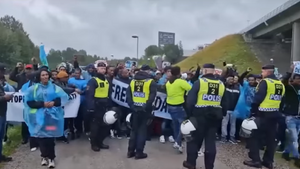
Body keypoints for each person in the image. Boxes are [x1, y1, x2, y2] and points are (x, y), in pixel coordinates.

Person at [183, 63, 227, 169]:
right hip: (215, 116)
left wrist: (189, 115)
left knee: (194, 140)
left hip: (199, 115)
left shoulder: (200, 82)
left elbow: (190, 101)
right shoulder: (221, 84)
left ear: (205, 70)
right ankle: (209, 166)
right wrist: (222, 114)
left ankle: (191, 163)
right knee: (211, 142)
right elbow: (225, 103)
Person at [24, 69, 69, 168]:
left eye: (46, 75)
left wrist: (54, 103)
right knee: (41, 138)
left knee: (50, 138)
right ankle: (44, 156)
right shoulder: (34, 89)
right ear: (39, 77)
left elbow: (63, 98)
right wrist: (42, 104)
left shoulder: (54, 87)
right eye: (42, 75)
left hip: (51, 119)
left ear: (48, 76)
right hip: (39, 119)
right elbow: (29, 102)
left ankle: (52, 158)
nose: (45, 77)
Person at [243, 65, 285, 169]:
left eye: (263, 72)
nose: (262, 74)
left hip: (262, 114)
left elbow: (258, 98)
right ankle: (268, 161)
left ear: (267, 72)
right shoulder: (280, 84)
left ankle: (256, 160)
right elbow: (282, 101)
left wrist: (253, 112)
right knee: (271, 139)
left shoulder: (265, 82)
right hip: (275, 114)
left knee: (253, 136)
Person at [126, 65, 157, 159]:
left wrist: (132, 106)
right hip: (145, 110)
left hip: (135, 108)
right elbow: (152, 96)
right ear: (147, 71)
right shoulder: (150, 81)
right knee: (142, 131)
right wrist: (146, 106)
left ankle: (130, 151)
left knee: (134, 130)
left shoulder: (133, 81)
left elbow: (128, 95)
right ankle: (139, 152)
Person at [86, 62, 111, 152]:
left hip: (105, 106)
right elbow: (89, 95)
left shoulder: (106, 80)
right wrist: (91, 107)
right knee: (95, 127)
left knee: (105, 126)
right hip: (96, 106)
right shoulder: (93, 80)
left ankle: (100, 142)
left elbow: (109, 93)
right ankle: (94, 144)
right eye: (101, 68)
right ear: (97, 69)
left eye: (104, 69)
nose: (103, 70)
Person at [166, 66, 192, 153]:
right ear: (178, 73)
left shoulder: (168, 82)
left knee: (176, 125)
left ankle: (179, 143)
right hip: (178, 106)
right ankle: (177, 142)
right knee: (182, 126)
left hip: (170, 105)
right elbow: (191, 89)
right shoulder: (180, 82)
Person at [281, 64, 300, 167]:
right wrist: (290, 71)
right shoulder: (289, 88)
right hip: (290, 117)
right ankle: (297, 158)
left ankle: (286, 153)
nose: (299, 80)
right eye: (298, 78)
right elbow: (283, 81)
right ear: (293, 79)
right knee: (294, 138)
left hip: (299, 117)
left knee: (293, 138)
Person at [0, 63, 13, 163]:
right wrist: (4, 97)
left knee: (1, 136)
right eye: (2, 71)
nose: (3, 73)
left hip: (2, 112)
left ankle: (0, 155)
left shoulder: (1, 83)